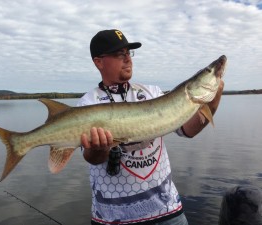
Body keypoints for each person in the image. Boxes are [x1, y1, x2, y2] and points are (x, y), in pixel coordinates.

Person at [77, 29, 224, 225]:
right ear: (99, 61)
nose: (127, 59)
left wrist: (212, 102)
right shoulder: (88, 104)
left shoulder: (153, 93)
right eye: (119, 54)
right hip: (113, 218)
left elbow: (188, 130)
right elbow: (91, 157)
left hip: (167, 212)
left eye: (128, 53)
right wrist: (99, 149)